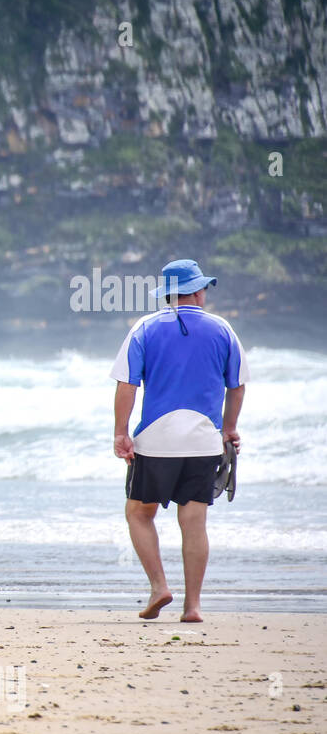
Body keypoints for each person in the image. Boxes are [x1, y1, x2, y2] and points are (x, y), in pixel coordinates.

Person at [111, 259, 247, 623]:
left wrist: (121, 433)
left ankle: (159, 587)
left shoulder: (145, 327)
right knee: (194, 521)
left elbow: (127, 385)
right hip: (203, 441)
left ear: (168, 294)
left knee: (139, 513)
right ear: (200, 290)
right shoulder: (223, 330)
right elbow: (236, 386)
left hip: (157, 441)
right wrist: (229, 428)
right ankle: (193, 607)